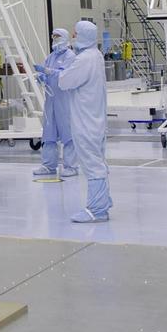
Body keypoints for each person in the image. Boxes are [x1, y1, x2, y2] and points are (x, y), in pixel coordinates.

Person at [57, 19, 113, 222]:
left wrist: (57, 74)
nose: (73, 36)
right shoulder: (95, 56)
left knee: (91, 163)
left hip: (86, 121)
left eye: (75, 33)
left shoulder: (85, 59)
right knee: (97, 161)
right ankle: (103, 202)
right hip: (94, 118)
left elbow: (65, 81)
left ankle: (97, 210)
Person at [32, 28, 77, 179]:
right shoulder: (50, 56)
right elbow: (46, 72)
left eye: (57, 37)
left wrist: (48, 71)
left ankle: (71, 166)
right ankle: (48, 165)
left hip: (65, 99)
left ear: (64, 37)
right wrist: (42, 76)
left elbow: (65, 73)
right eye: (53, 37)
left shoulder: (70, 56)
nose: (54, 39)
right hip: (50, 99)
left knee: (68, 132)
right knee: (49, 133)